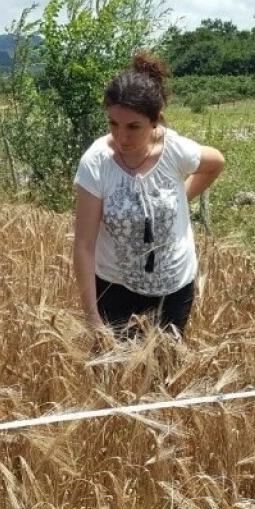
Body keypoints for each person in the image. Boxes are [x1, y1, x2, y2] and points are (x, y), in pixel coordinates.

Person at [73, 53, 225, 338]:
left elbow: (216, 162)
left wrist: (183, 201)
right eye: (113, 124)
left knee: (164, 370)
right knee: (113, 373)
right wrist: (91, 316)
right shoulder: (96, 162)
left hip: (174, 287)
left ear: (155, 122)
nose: (121, 137)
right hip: (114, 287)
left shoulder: (174, 151)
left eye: (133, 127)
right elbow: (84, 245)